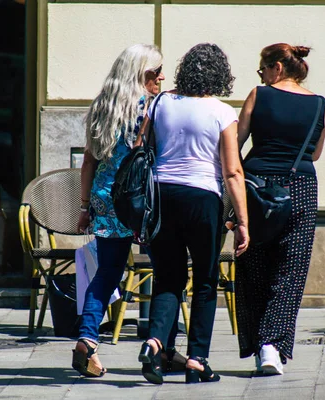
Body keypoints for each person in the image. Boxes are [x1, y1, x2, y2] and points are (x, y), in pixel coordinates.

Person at [137, 43, 249, 385]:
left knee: (168, 278)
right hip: (204, 199)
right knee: (203, 282)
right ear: (220, 75)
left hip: (162, 197)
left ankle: (155, 344)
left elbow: (143, 149)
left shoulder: (160, 103)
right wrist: (243, 221)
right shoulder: (222, 112)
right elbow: (232, 172)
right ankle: (197, 359)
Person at [72, 44, 187, 378]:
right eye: (155, 72)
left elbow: (88, 162)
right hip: (144, 200)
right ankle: (162, 346)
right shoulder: (152, 107)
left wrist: (84, 207)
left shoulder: (101, 106)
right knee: (169, 270)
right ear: (140, 73)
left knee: (107, 273)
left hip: (107, 198)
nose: (161, 77)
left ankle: (87, 340)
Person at [234, 43, 325, 376]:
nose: (260, 76)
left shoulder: (259, 95)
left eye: (262, 69)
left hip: (256, 185)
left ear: (276, 67)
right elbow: (314, 154)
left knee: (254, 264)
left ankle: (262, 344)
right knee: (291, 269)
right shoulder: (320, 105)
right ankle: (271, 346)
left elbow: (238, 141)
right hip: (300, 186)